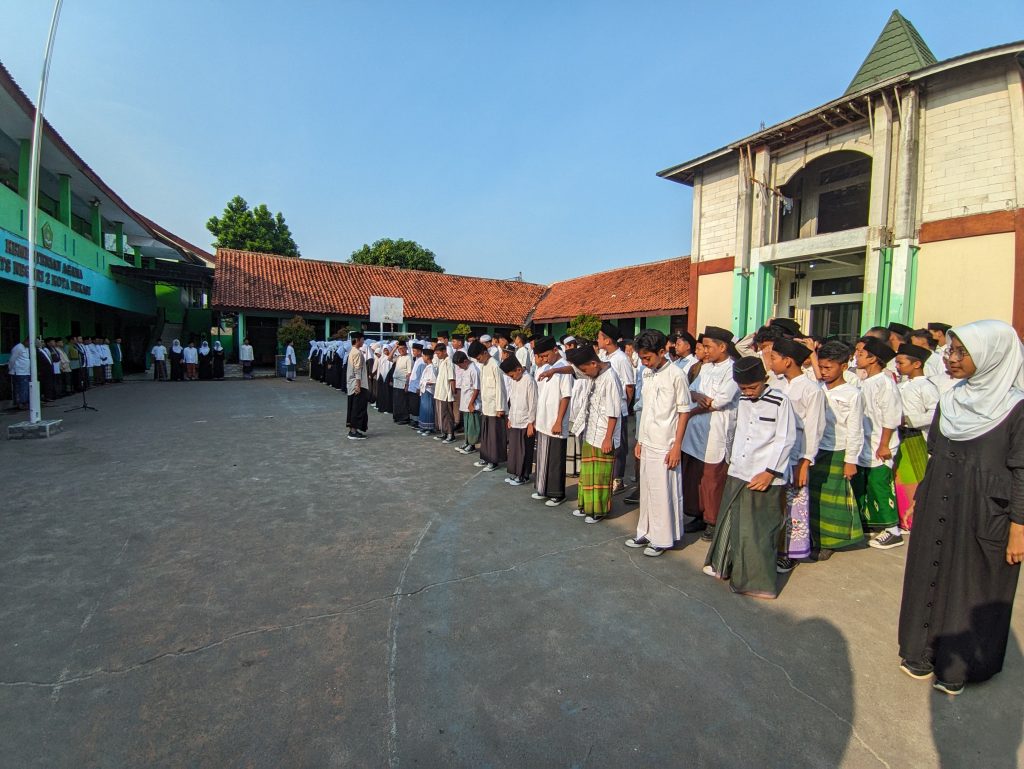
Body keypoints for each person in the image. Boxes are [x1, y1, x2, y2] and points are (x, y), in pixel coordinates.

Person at [898, 319, 1024, 696]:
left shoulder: (1015, 408)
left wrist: (1019, 527)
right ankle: (921, 653)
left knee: (971, 584)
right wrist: (920, 497)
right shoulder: (952, 397)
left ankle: (958, 666)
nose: (951, 359)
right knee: (930, 569)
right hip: (940, 497)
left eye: (961, 353)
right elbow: (935, 452)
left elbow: (1022, 471)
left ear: (991, 356)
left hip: (986, 510)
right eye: (950, 351)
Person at [703, 356, 797, 599]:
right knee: (731, 521)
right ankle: (725, 567)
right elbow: (737, 432)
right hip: (738, 470)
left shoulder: (780, 401)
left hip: (764, 475)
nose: (748, 392)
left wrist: (770, 472)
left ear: (764, 380)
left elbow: (785, 439)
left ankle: (757, 582)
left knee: (757, 530)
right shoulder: (743, 400)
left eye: (752, 387)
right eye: (743, 388)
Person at [624, 330, 693, 557]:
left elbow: (684, 412)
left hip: (666, 442)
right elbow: (646, 409)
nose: (644, 362)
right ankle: (644, 531)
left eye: (648, 358)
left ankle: (662, 538)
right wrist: (640, 439)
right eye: (642, 358)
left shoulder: (676, 375)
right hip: (648, 440)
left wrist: (676, 447)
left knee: (663, 491)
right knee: (647, 490)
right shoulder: (647, 374)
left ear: (662, 352)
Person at [769, 337, 826, 571]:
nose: (770, 362)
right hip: (775, 451)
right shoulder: (776, 384)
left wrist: (804, 461)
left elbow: (814, 428)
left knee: (794, 505)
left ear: (788, 360)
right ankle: (773, 545)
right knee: (775, 502)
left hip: (796, 454)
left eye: (773, 358)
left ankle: (790, 552)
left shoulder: (811, 390)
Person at [682, 326, 740, 541]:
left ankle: (713, 521)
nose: (705, 351)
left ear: (723, 347)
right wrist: (697, 396)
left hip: (716, 430)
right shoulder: (706, 368)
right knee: (695, 477)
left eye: (708, 347)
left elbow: (720, 401)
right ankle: (697, 514)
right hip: (696, 431)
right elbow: (691, 390)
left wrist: (693, 410)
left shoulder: (733, 369)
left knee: (712, 478)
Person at [809, 341, 866, 560]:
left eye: (828, 368)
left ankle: (829, 540)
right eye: (821, 367)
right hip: (816, 448)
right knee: (814, 496)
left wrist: (850, 459)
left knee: (833, 497)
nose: (823, 372)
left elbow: (855, 429)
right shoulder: (817, 389)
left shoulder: (853, 394)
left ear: (843, 367)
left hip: (838, 449)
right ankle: (813, 536)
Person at [852, 336, 904, 549]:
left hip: (881, 444)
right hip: (866, 442)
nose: (857, 356)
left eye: (862, 354)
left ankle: (893, 530)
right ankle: (874, 523)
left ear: (873, 359)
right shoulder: (865, 382)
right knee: (868, 484)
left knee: (880, 484)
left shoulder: (885, 384)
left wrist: (884, 444)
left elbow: (890, 417)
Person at [566, 344, 623, 524]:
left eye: (585, 370)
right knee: (587, 473)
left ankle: (598, 511)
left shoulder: (610, 378)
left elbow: (614, 412)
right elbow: (574, 370)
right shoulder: (595, 372)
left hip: (603, 435)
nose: (584, 374)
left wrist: (608, 438)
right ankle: (585, 506)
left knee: (600, 475)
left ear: (593, 363)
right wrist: (553, 371)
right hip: (590, 430)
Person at [893, 342, 939, 531]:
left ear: (917, 364)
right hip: (900, 436)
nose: (897, 366)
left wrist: (909, 420)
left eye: (901, 362)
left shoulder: (926, 387)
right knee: (900, 479)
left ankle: (915, 519)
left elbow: (935, 413)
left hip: (916, 437)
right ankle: (903, 518)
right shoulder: (902, 385)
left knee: (915, 479)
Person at [532, 336, 572, 506]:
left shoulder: (564, 368)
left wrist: (558, 421)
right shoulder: (549, 367)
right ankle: (543, 488)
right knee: (543, 456)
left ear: (555, 350)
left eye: (546, 355)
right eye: (541, 356)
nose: (544, 359)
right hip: (543, 419)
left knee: (555, 458)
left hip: (555, 420)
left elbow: (566, 396)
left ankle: (557, 493)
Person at [597, 322, 635, 495]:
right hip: (605, 408)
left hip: (618, 408)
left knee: (619, 445)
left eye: (599, 337)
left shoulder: (621, 359)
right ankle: (609, 476)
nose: (597, 340)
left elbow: (629, 386)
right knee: (608, 443)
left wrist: (624, 407)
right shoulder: (605, 357)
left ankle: (618, 480)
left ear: (607, 340)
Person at [502, 355, 537, 486]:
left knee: (524, 450)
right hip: (515, 420)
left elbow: (533, 402)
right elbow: (512, 399)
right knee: (515, 450)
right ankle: (516, 473)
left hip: (525, 422)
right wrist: (510, 417)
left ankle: (524, 476)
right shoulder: (514, 381)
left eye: (512, 375)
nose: (511, 378)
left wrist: (531, 423)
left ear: (518, 369)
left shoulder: (529, 380)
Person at [473, 340, 507, 472]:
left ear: (485, 353)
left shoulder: (495, 365)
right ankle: (486, 457)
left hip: (495, 407)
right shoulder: (483, 366)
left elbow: (500, 388)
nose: (478, 360)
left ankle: (494, 460)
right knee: (486, 434)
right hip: (486, 406)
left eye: (479, 358)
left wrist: (500, 408)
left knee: (494, 435)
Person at [454, 349, 481, 455]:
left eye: (460, 365)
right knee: (466, 424)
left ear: (465, 361)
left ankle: (472, 445)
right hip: (465, 402)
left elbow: (476, 388)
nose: (460, 367)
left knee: (472, 425)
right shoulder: (466, 369)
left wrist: (471, 403)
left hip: (472, 403)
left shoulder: (474, 370)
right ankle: (467, 442)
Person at [346, 331, 369, 440]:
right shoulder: (357, 353)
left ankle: (353, 430)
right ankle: (353, 431)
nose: (363, 342)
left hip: (352, 384)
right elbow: (357, 370)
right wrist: (358, 385)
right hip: (358, 385)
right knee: (357, 409)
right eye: (362, 339)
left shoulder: (352, 351)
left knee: (354, 408)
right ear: (358, 340)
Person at [433, 344, 457, 443]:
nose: (437, 355)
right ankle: (444, 432)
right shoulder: (442, 361)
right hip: (440, 392)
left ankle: (451, 434)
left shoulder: (449, 362)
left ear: (444, 351)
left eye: (438, 353)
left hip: (446, 392)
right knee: (442, 414)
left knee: (448, 414)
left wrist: (453, 392)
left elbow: (452, 379)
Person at [416, 347, 437, 436]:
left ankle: (429, 428)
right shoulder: (427, 367)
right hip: (424, 390)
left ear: (428, 357)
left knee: (428, 410)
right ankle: (424, 427)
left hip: (428, 391)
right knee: (424, 409)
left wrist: (425, 382)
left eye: (423, 356)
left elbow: (433, 380)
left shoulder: (431, 367)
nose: (423, 358)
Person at [391, 341, 412, 424]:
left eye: (403, 348)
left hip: (403, 383)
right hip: (396, 383)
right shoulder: (399, 357)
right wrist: (395, 348)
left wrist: (407, 384)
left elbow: (409, 373)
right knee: (397, 401)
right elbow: (389, 358)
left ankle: (404, 418)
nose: (401, 350)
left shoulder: (408, 357)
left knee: (403, 402)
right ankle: (397, 417)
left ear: (406, 348)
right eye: (399, 349)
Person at [8, 336, 31, 409]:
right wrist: (11, 369)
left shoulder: (27, 348)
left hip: (26, 371)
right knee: (20, 388)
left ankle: (24, 402)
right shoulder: (18, 348)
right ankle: (20, 403)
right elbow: (12, 360)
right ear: (26, 341)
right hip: (18, 372)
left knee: (25, 388)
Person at [407, 343, 426, 429]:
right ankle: (413, 420)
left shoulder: (422, 361)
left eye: (414, 351)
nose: (413, 352)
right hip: (412, 386)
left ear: (419, 351)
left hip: (416, 388)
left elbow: (421, 376)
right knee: (412, 405)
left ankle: (417, 421)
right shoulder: (417, 360)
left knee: (416, 405)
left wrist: (419, 387)